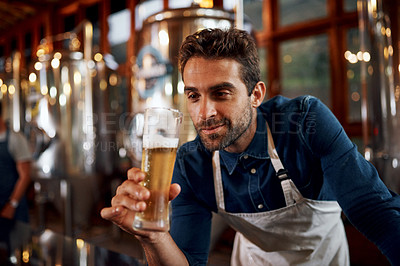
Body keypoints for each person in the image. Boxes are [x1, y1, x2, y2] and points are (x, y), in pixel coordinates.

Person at [101, 28, 400, 265]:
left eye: (221, 93)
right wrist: (153, 239)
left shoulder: (305, 123)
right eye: (194, 96)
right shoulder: (190, 163)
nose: (205, 113)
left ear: (256, 94)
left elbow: (376, 212)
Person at [0, 101, 31, 255]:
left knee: (17, 252)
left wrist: (11, 205)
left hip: (12, 208)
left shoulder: (15, 139)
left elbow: (25, 175)